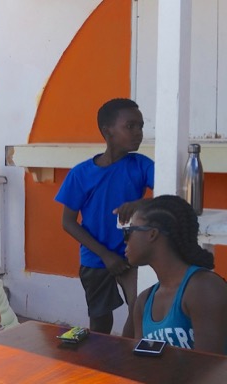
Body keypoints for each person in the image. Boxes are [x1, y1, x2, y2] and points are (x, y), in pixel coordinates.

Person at [55, 98, 154, 336]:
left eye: (140, 126)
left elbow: (169, 198)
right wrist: (106, 255)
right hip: (96, 258)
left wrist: (140, 203)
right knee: (100, 322)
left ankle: (131, 360)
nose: (138, 133)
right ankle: (101, 365)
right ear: (107, 131)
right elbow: (67, 222)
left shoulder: (142, 166)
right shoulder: (81, 174)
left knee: (139, 308)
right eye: (130, 126)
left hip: (131, 255)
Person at [126, 195, 227, 354]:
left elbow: (210, 370)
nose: (125, 240)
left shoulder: (203, 288)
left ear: (152, 234)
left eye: (129, 231)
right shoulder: (143, 302)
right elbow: (137, 362)